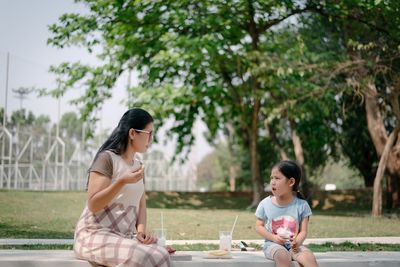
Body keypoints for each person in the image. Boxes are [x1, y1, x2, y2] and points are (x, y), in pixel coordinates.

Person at [73, 108, 171, 267]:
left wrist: (141, 233)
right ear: (133, 133)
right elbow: (93, 204)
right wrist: (121, 181)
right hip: (94, 235)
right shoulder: (107, 159)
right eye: (149, 133)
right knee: (141, 257)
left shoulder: (139, 166)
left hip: (123, 238)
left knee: (161, 253)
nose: (151, 139)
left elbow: (141, 206)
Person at [255, 160, 318, 267]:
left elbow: (303, 231)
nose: (272, 182)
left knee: (309, 258)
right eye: (272, 178)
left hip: (295, 246)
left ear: (291, 182)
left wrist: (297, 242)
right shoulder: (265, 203)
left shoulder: (302, 205)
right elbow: (258, 226)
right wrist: (273, 237)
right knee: (283, 257)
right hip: (273, 245)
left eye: (277, 178)